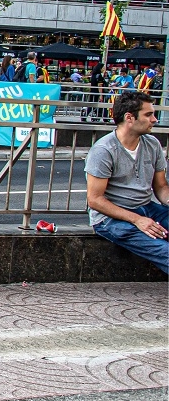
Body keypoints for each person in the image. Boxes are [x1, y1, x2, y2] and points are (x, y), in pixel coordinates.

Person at [84, 91, 169, 274]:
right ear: (129, 118)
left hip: (147, 208)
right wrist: (138, 220)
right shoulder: (103, 150)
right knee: (165, 251)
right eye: (148, 114)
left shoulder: (152, 144)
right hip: (111, 219)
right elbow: (95, 200)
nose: (154, 119)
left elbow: (161, 186)